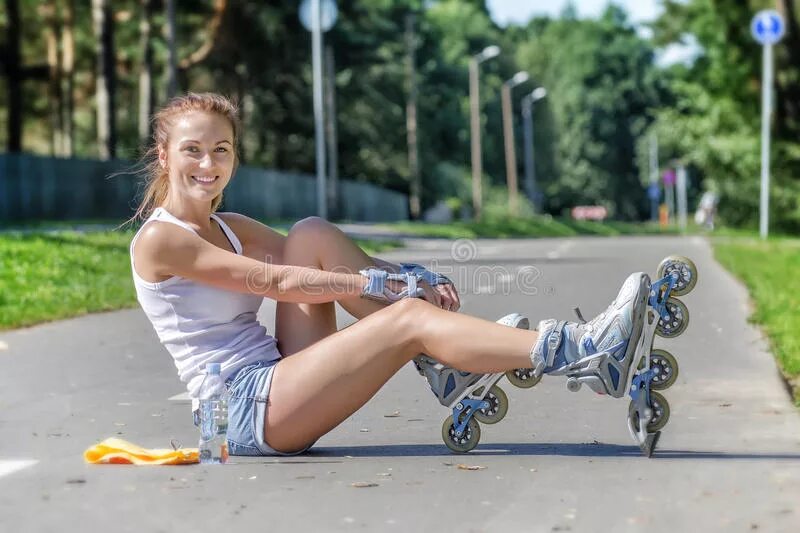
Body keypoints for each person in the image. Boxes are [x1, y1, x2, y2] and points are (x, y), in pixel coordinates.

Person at [129, 93, 650, 456]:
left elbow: (309, 260)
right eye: (192, 150)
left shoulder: (230, 225)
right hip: (236, 415)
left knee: (310, 233)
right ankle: (584, 349)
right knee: (405, 321)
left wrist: (406, 274)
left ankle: (450, 366)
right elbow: (280, 283)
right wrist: (382, 288)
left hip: (275, 382)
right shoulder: (162, 238)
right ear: (164, 156)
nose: (208, 163)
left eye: (221, 149)